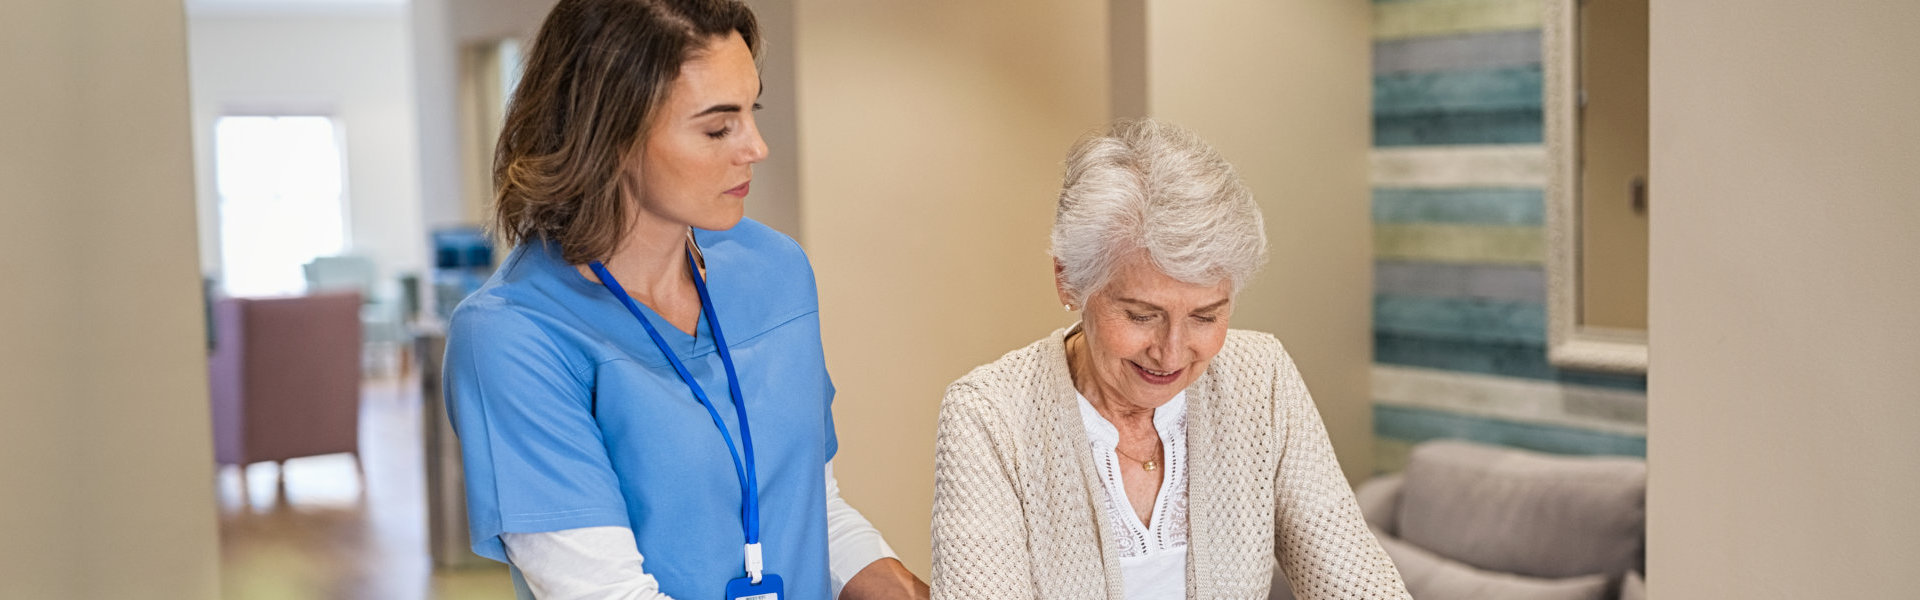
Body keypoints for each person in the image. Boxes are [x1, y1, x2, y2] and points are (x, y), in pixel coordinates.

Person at [443, 1, 928, 598]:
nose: (755, 146)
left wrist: (888, 581)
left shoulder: (776, 270)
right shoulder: (513, 337)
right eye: (718, 127)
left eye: (753, 111)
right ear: (611, 135)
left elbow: (809, 505)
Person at [929, 119, 1410, 599]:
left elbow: (1356, 580)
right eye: (1141, 315)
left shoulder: (1261, 378)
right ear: (1069, 280)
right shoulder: (990, 414)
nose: (1172, 351)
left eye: (1205, 316)